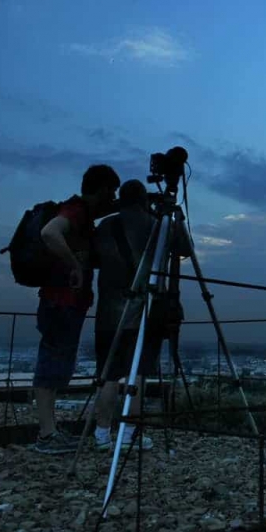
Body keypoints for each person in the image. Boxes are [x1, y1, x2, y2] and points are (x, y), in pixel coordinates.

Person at [34, 165, 120, 454]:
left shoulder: (83, 216)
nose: (114, 198)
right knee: (51, 365)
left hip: (64, 304)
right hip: (60, 303)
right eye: (112, 192)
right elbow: (50, 233)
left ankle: (51, 432)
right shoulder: (74, 211)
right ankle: (46, 435)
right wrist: (74, 266)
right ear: (103, 189)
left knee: (57, 365)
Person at [92, 179, 163, 451]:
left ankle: (101, 434)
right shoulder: (155, 224)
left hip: (108, 313)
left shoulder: (106, 225)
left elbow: (96, 258)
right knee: (138, 375)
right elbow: (182, 247)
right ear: (144, 200)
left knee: (108, 376)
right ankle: (128, 434)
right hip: (142, 313)